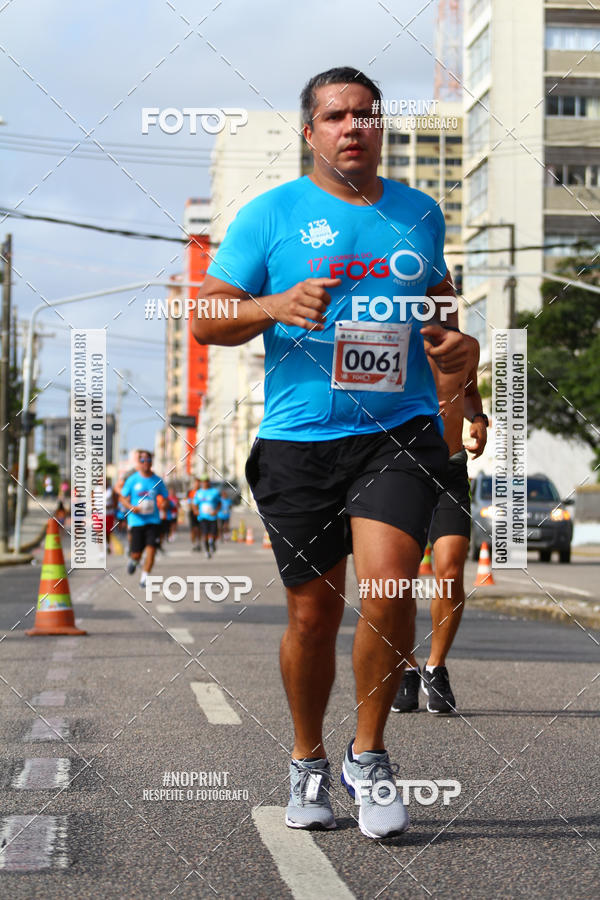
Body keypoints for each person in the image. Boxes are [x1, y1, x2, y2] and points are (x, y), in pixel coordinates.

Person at [192, 66, 471, 839]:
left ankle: (371, 757)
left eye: (367, 116)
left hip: (399, 432)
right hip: (300, 440)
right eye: (338, 117)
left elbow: (440, 302)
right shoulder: (271, 215)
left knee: (388, 592)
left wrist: (463, 366)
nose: (354, 127)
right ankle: (307, 759)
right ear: (310, 132)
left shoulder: (419, 213)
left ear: (382, 128)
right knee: (313, 616)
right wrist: (272, 306)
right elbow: (205, 317)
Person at [392, 337, 487, 715]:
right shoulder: (391, 336)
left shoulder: (467, 346)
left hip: (449, 468)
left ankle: (436, 666)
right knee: (396, 577)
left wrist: (477, 418)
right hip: (398, 471)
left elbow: (470, 392)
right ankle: (405, 668)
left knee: (449, 569)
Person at [119, 450, 168, 587]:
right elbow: (122, 498)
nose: (145, 463)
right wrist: (131, 507)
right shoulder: (132, 480)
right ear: (138, 463)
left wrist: (164, 503)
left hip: (153, 521)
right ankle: (134, 561)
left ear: (151, 462)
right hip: (137, 521)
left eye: (148, 460)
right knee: (137, 554)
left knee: (151, 550)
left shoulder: (157, 480)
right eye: (142, 461)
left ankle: (144, 578)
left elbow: (165, 498)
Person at [192, 475, 221, 559]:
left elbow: (219, 503)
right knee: (205, 534)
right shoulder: (199, 492)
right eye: (203, 482)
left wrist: (216, 511)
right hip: (203, 517)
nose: (205, 483)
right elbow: (194, 503)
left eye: (206, 481)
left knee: (213, 533)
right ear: (201, 483)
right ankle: (207, 551)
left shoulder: (214, 492)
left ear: (209, 482)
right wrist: (195, 510)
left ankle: (212, 543)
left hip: (212, 517)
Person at [188, 478, 201, 552]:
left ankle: (198, 543)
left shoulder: (201, 492)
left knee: (199, 529)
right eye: (196, 483)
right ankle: (193, 543)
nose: (197, 484)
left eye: (198, 483)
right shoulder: (191, 492)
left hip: (200, 512)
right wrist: (194, 509)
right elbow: (189, 502)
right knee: (193, 529)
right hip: (192, 513)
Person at [105, 477, 116, 553]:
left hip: (109, 514)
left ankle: (108, 545)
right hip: (99, 514)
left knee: (107, 532)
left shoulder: (111, 490)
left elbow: (115, 503)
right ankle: (102, 549)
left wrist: (109, 506)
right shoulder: (96, 490)